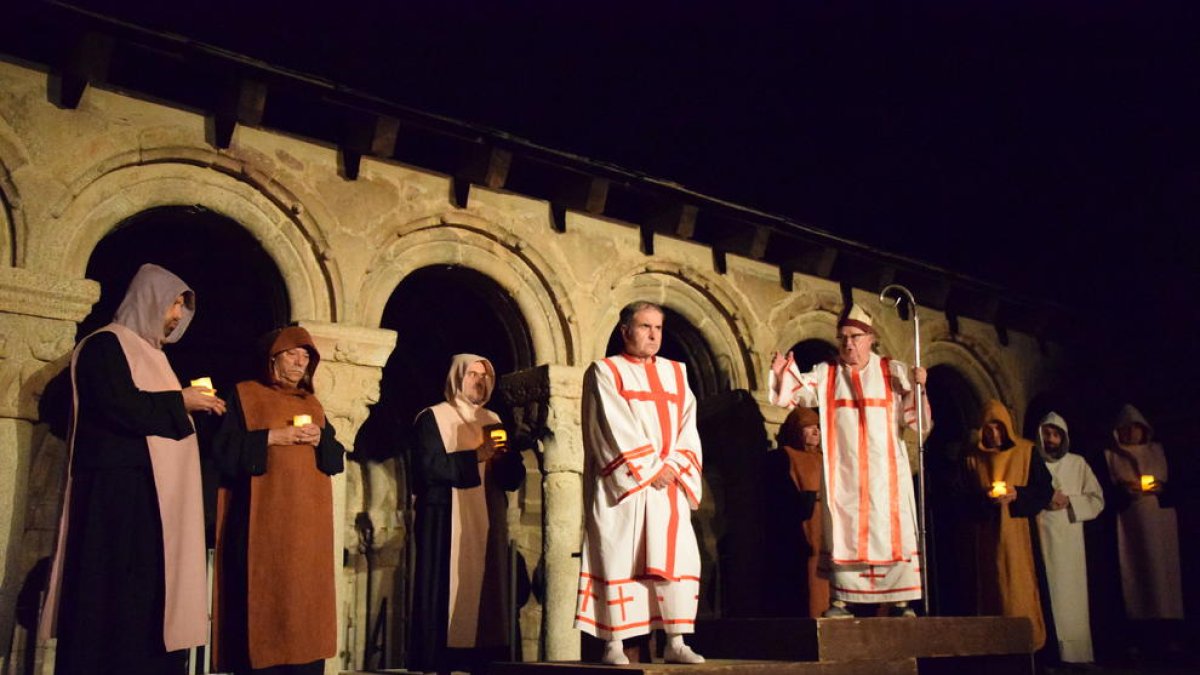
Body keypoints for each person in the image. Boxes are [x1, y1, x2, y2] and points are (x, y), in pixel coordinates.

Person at [38, 263, 226, 674]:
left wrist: (191, 407)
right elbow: (117, 405)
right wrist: (182, 403)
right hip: (115, 500)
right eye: (172, 304)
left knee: (147, 604)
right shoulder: (105, 345)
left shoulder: (155, 356)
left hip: (150, 505)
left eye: (181, 306)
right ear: (147, 299)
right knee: (110, 605)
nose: (177, 316)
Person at [769, 304, 929, 618]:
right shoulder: (827, 373)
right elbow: (796, 393)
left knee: (888, 527)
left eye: (855, 336)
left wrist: (919, 386)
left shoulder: (890, 370)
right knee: (845, 527)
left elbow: (916, 419)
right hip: (845, 471)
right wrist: (781, 374)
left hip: (885, 471)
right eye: (843, 337)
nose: (848, 344)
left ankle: (900, 601)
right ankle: (843, 600)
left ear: (871, 338)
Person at [575, 302, 705, 665]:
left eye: (658, 328)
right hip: (626, 489)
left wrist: (675, 465)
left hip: (669, 487)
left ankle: (676, 640)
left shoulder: (677, 373)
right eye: (645, 326)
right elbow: (610, 425)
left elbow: (688, 428)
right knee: (619, 556)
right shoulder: (606, 371)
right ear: (625, 331)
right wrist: (649, 468)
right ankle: (613, 643)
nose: (652, 335)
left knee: (675, 557)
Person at [210, 326, 344, 674]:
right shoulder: (244, 394)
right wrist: (273, 436)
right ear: (273, 358)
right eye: (292, 354)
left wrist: (320, 440)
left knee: (305, 609)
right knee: (261, 608)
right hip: (261, 527)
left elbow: (335, 460)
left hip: (306, 533)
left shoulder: (312, 404)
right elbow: (222, 452)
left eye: (306, 357)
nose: (301, 362)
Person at [409, 354, 525, 674]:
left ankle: (484, 656)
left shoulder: (494, 419)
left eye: (485, 376)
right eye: (472, 374)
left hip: (488, 519)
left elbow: (513, 479)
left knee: (490, 595)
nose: (480, 381)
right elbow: (428, 468)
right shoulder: (432, 417)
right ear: (456, 378)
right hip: (448, 520)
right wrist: (476, 455)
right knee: (448, 589)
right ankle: (441, 659)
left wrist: (503, 461)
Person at [965, 400, 1052, 651]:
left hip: (1020, 533)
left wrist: (1019, 495)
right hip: (987, 535)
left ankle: (1030, 643)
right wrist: (985, 499)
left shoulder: (1026, 452)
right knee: (993, 590)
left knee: (1022, 589)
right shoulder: (973, 457)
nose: (993, 434)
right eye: (988, 428)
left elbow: (1043, 489)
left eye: (998, 427)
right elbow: (960, 494)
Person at [1103, 404, 1183, 651]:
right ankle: (1140, 639)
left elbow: (1177, 486)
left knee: (1163, 579)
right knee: (1138, 578)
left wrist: (1161, 489)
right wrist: (1125, 492)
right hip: (1131, 523)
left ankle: (1168, 637)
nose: (1130, 434)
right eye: (1125, 430)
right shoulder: (1111, 456)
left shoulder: (1157, 451)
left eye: (1134, 429)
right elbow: (1109, 492)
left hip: (1159, 523)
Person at [1035, 412, 1103, 664]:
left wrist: (1070, 502)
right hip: (1043, 533)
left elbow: (1097, 499)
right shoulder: (1034, 462)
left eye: (1055, 435)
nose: (1051, 439)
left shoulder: (1078, 463)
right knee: (1049, 594)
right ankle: (1052, 655)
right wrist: (1045, 500)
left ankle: (1078, 656)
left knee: (1072, 596)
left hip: (1071, 536)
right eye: (1047, 434)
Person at [774, 406, 830, 618]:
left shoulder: (824, 458)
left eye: (818, 427)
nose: (816, 432)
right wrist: (811, 499)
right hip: (802, 532)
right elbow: (781, 499)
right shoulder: (783, 457)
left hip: (826, 530)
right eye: (808, 427)